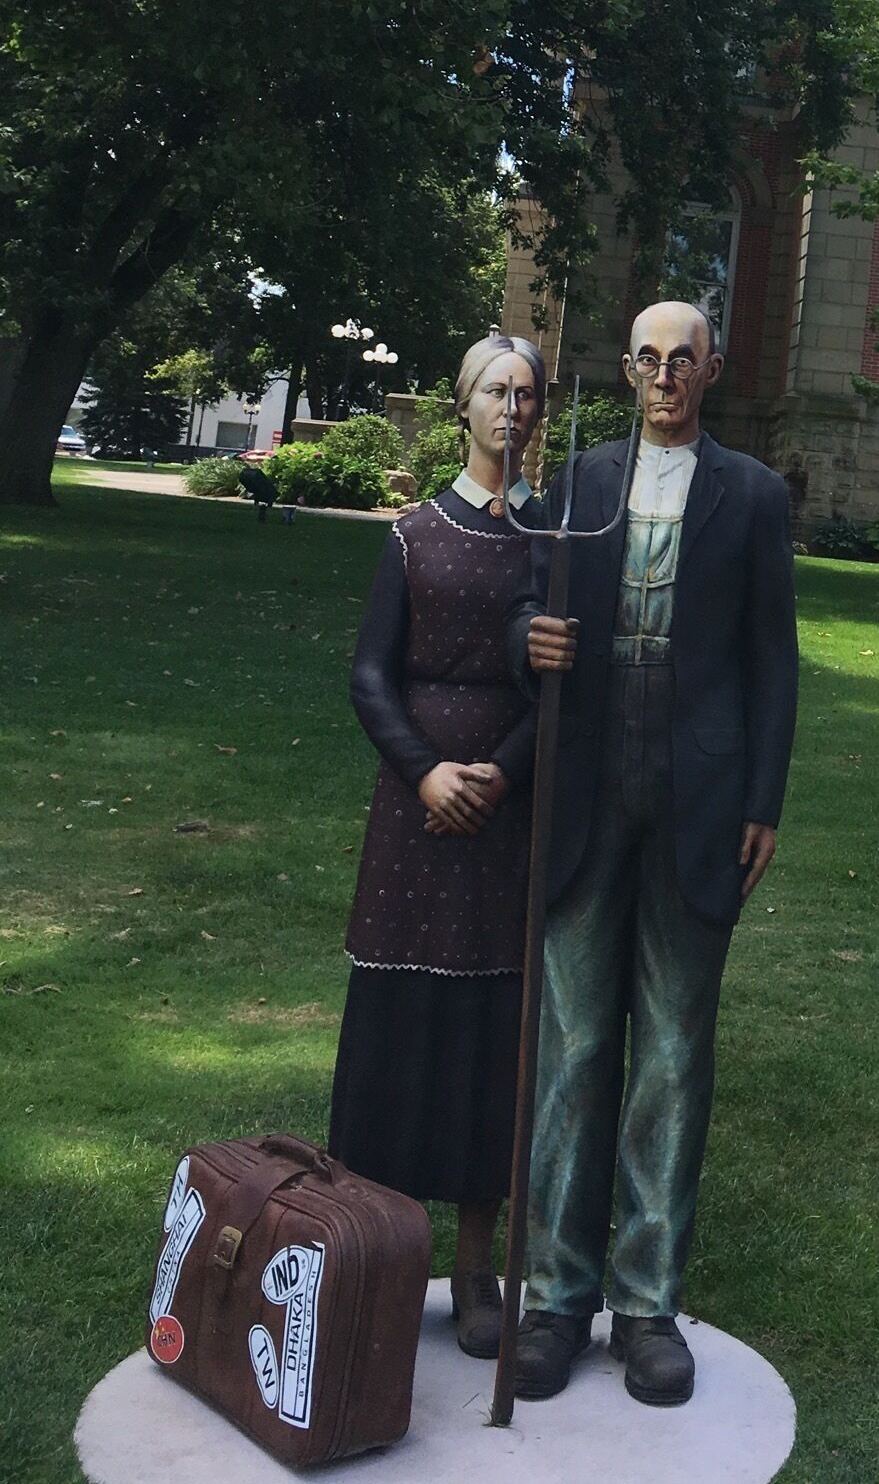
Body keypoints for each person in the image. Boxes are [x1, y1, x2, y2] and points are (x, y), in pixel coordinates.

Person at [508, 300, 797, 1407]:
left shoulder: (754, 496)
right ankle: (554, 1293)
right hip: (583, 790)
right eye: (649, 359)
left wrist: (762, 798)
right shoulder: (579, 484)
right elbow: (525, 604)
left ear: (713, 369)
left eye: (686, 358)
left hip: (698, 796)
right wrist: (518, 638)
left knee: (672, 1054)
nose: (666, 376)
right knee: (575, 1046)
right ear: (627, 370)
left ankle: (645, 1302)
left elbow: (774, 658)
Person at [327, 332, 547, 1359]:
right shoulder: (413, 534)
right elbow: (372, 676)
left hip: (505, 815)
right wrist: (426, 770)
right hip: (415, 819)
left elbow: (560, 687)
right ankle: (375, 1251)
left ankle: (474, 1265)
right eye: (497, 391)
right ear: (463, 406)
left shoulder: (554, 544)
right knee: (399, 1025)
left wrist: (502, 770)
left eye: (528, 394)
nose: (514, 408)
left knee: (486, 1037)